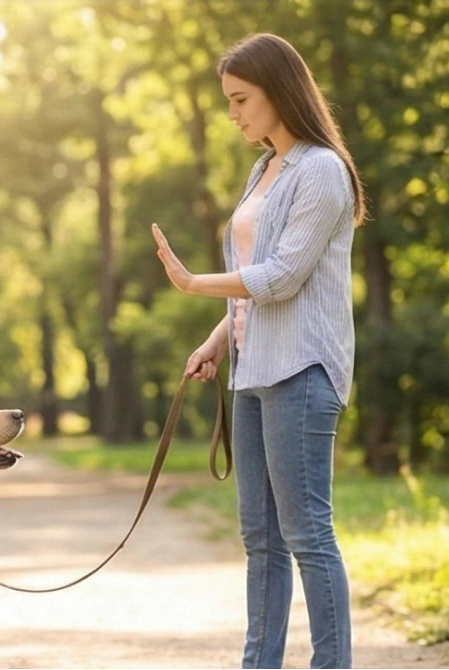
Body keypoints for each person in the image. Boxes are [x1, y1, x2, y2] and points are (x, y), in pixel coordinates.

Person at [150, 32, 367, 670]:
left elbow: (282, 276)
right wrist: (216, 339)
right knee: (261, 540)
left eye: (241, 99)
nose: (233, 114)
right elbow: (252, 281)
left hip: (302, 370)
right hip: (252, 370)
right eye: (229, 101)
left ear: (279, 90)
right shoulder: (263, 169)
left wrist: (192, 283)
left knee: (307, 535)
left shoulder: (321, 169)